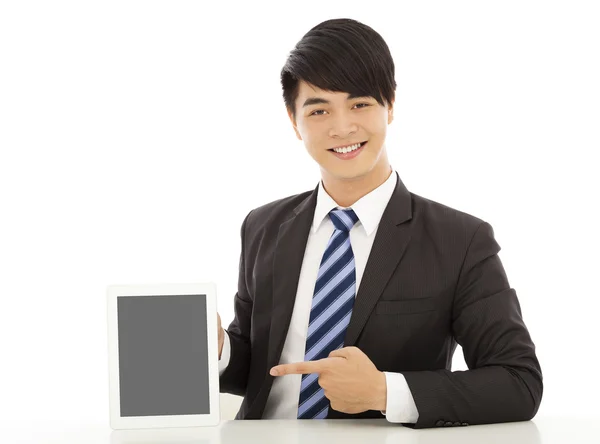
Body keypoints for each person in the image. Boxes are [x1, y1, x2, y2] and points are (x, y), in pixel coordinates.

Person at [215, 18, 543, 429]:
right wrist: (219, 350)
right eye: (319, 110)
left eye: (360, 104)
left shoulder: (461, 241)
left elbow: (519, 382)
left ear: (390, 104)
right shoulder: (263, 226)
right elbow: (258, 368)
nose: (342, 127)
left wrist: (385, 392)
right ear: (293, 120)